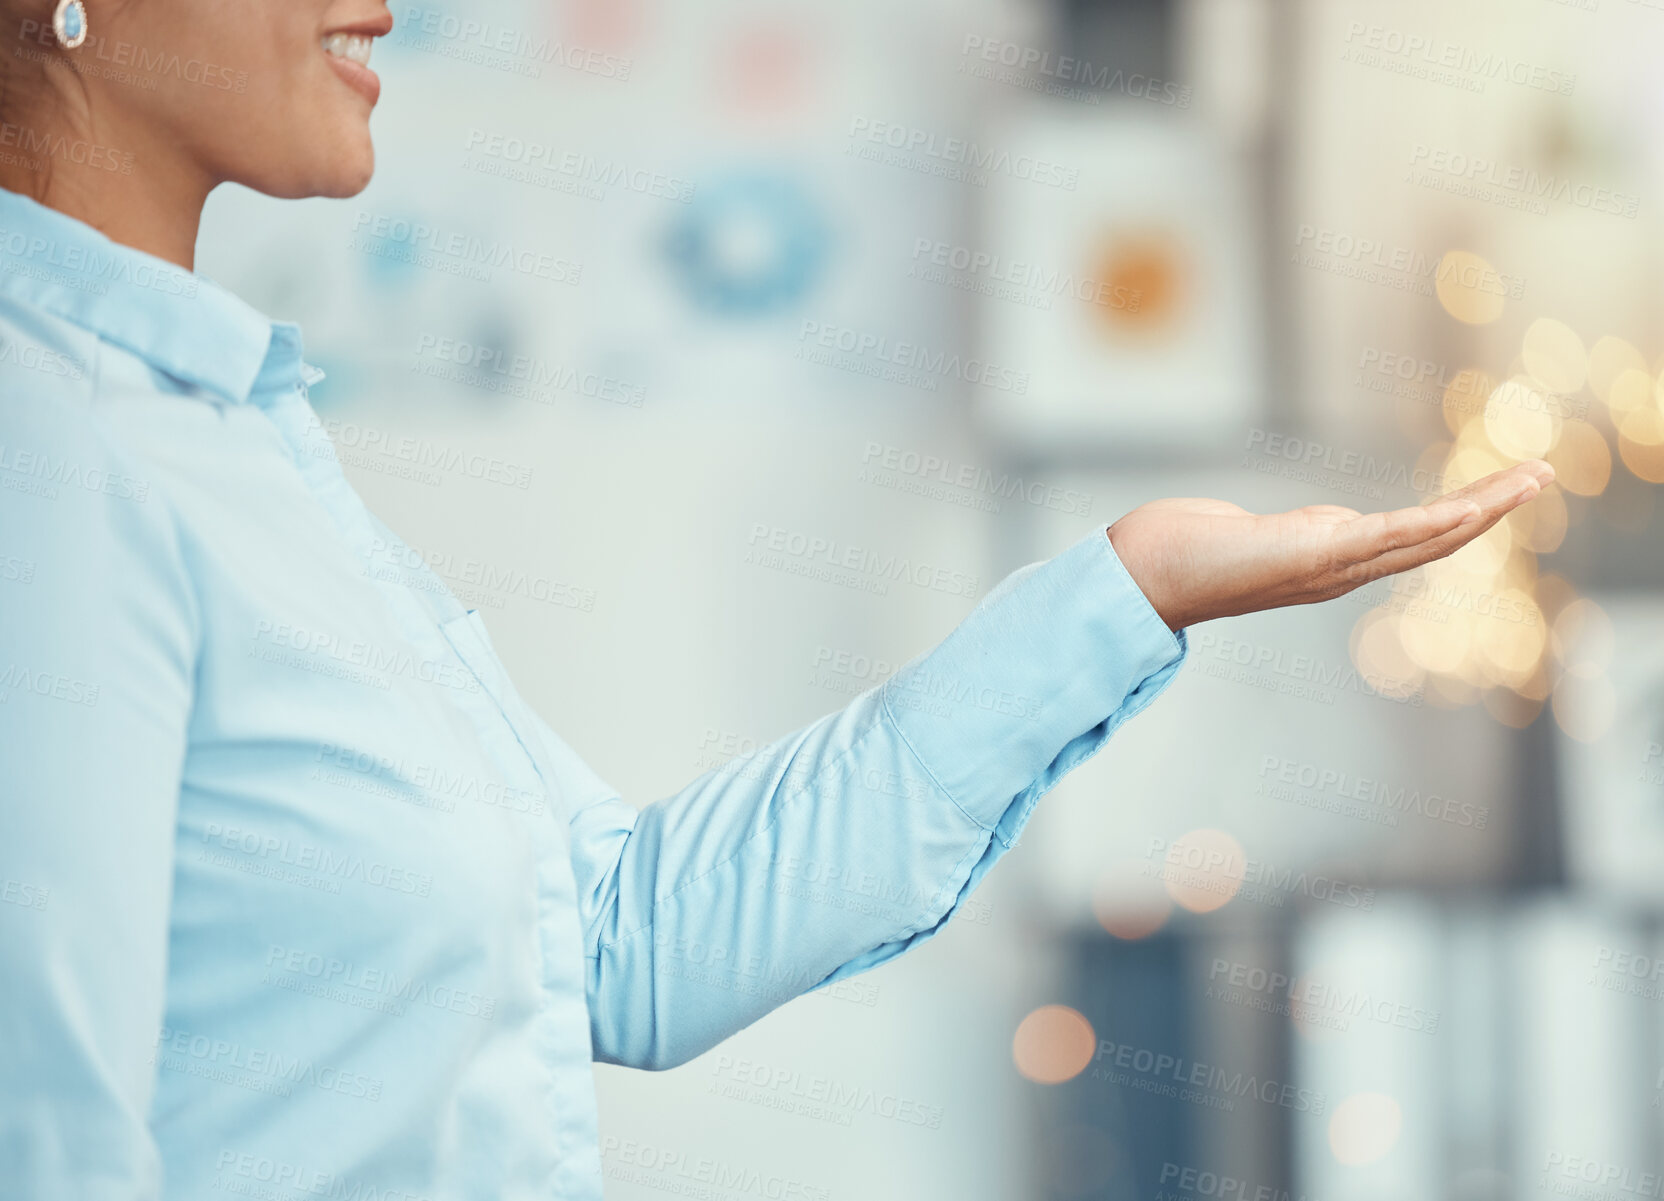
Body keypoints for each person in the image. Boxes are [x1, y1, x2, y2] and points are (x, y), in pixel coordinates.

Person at [0, 1, 1553, 1196]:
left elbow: (618, 934)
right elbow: (42, 1135)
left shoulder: (223, 439)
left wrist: (1124, 589)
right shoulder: (49, 451)